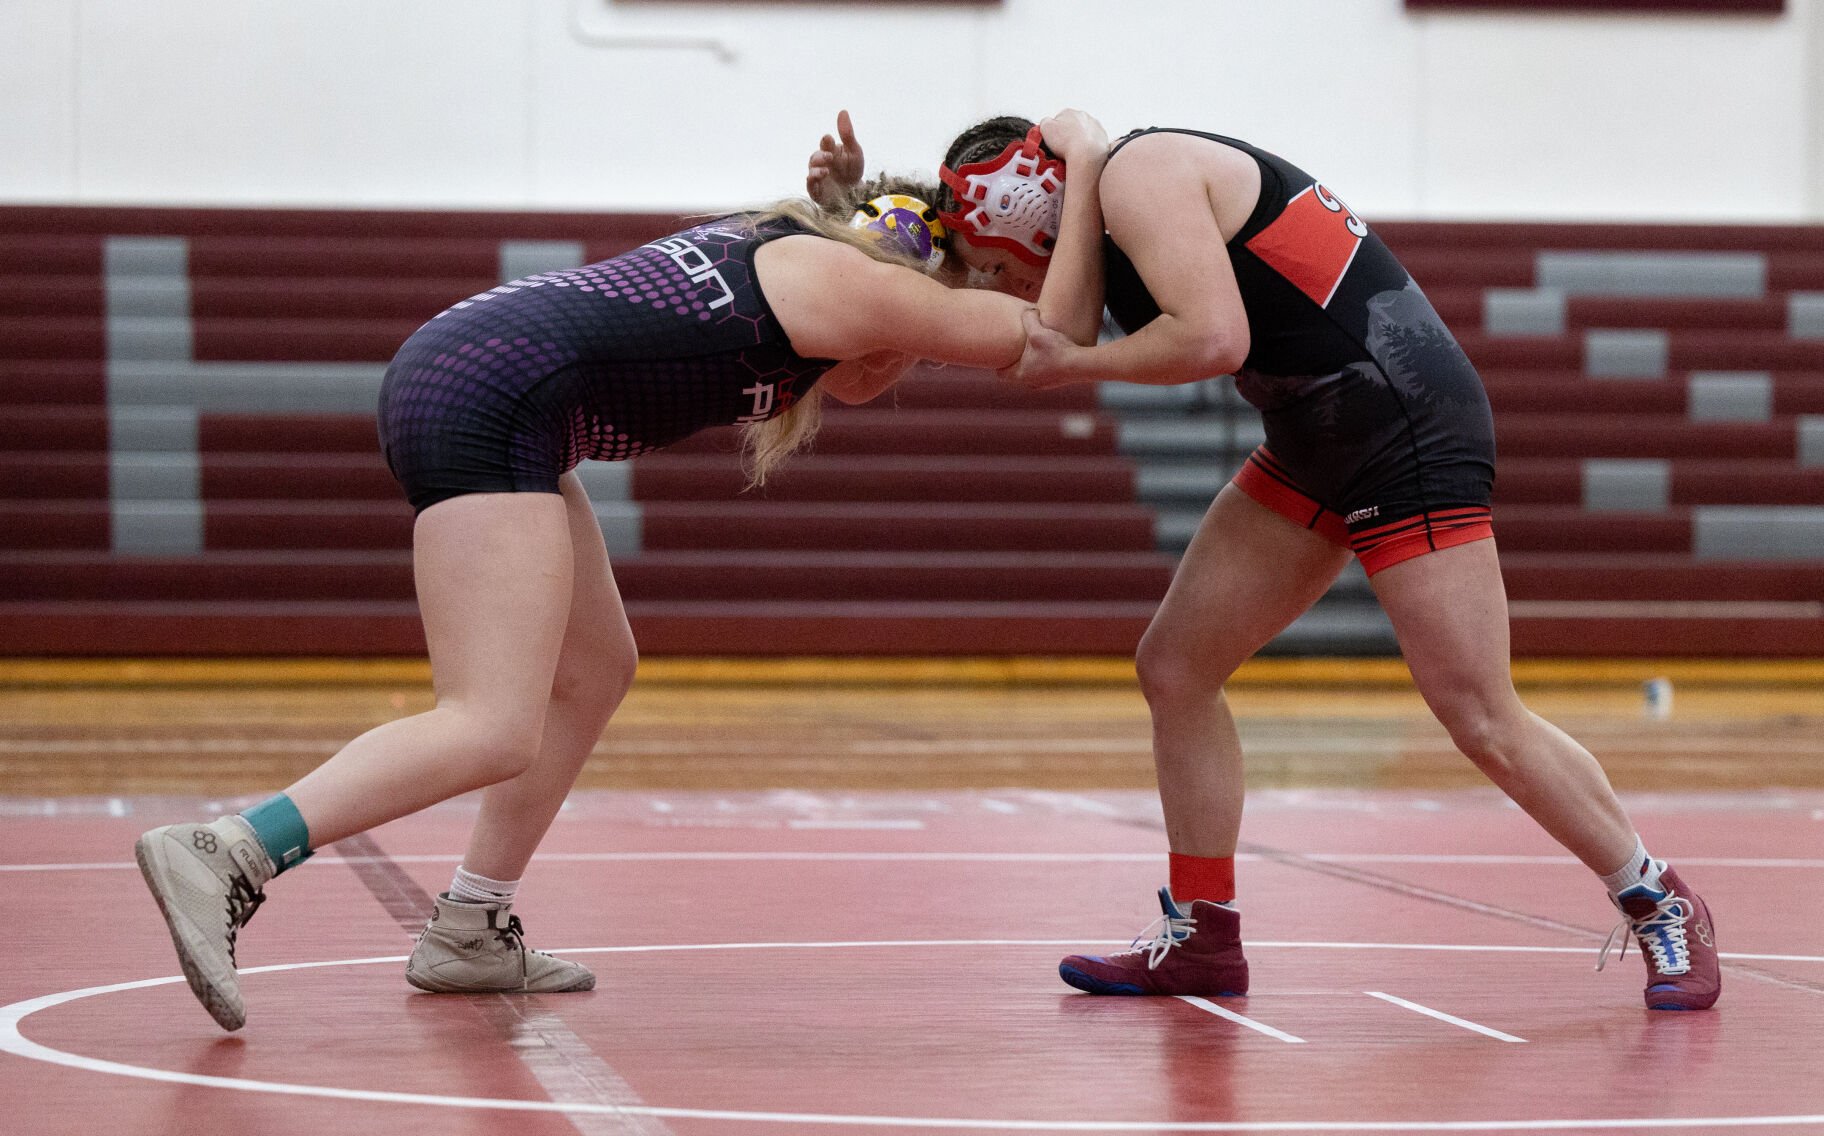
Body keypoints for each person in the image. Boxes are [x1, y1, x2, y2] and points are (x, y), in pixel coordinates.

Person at [136, 111, 1109, 1032]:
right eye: (1044, 262)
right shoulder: (868, 283)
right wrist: (1096, 158)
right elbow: (1052, 342)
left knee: (594, 668)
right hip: (492, 392)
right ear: (1000, 246)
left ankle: (472, 925)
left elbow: (856, 376)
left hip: (494, 380)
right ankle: (230, 850)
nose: (1046, 286)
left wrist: (883, 233)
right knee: (490, 720)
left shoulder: (855, 270)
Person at [808, 113, 1719, 1011]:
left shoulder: (1139, 174)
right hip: (1319, 434)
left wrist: (1077, 365)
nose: (1016, 288)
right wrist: (855, 215)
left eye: (1009, 265)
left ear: (1030, 211)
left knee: (1478, 712)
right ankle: (1204, 933)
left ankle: (1658, 894)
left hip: (1407, 428)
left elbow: (1213, 341)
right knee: (1176, 667)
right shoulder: (1088, 199)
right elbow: (956, 328)